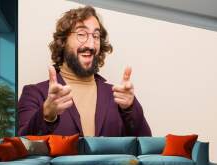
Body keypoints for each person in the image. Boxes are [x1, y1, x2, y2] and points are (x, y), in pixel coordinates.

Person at [18, 6, 151, 137]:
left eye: (96, 36)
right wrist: (46, 116)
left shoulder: (118, 96)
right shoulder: (35, 94)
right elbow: (23, 148)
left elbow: (146, 145)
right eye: (81, 34)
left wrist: (130, 108)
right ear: (63, 41)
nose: (91, 45)